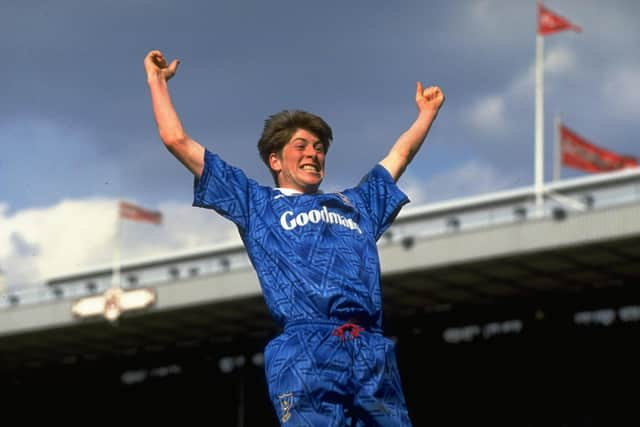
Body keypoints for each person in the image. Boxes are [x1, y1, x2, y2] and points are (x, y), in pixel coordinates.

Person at [144, 49, 444, 426]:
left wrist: (426, 115)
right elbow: (177, 141)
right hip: (305, 351)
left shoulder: (356, 204)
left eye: (319, 148)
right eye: (301, 146)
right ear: (275, 160)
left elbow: (399, 155)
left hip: (370, 349)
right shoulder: (256, 203)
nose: (313, 154)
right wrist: (157, 83)